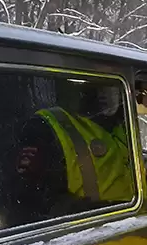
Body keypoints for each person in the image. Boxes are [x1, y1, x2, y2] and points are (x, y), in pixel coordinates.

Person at [14, 84, 134, 219]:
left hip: (130, 226)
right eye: (94, 82)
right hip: (95, 231)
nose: (103, 93)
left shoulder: (124, 126)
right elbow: (41, 205)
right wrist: (113, 212)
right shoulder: (44, 129)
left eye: (110, 86)